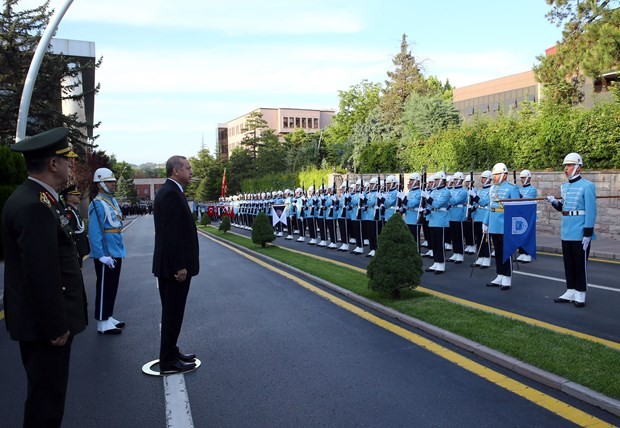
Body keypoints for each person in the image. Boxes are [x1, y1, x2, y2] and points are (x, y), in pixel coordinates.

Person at [2, 127, 88, 427]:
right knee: (45, 404)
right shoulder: (35, 206)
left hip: (41, 324)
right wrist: (56, 325)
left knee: (47, 399)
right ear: (53, 164)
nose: (69, 167)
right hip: (45, 328)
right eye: (66, 161)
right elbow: (40, 272)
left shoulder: (39, 199)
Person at [152, 155, 200, 374]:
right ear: (175, 172)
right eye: (188, 168)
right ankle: (168, 361)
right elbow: (171, 235)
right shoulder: (170, 194)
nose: (191, 171)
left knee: (174, 312)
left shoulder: (172, 191)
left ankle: (172, 351)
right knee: (172, 313)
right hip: (174, 268)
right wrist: (180, 265)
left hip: (173, 265)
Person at [547, 153, 596, 308]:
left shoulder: (587, 186)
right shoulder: (564, 186)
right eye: (565, 166)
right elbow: (565, 209)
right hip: (566, 229)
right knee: (568, 263)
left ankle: (580, 293)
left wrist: (588, 232)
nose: (565, 169)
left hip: (580, 230)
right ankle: (570, 290)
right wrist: (555, 203)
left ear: (578, 167)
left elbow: (591, 211)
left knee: (580, 264)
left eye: (569, 165)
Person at [88, 167, 126, 334]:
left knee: (112, 285)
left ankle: (108, 316)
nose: (114, 184)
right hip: (106, 252)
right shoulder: (97, 204)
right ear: (100, 184)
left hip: (115, 249)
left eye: (113, 181)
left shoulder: (111, 201)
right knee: (104, 287)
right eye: (110, 182)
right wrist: (100, 254)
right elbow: (95, 232)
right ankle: (102, 323)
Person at [483, 162, 520, 290]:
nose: (494, 177)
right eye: (493, 175)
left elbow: (515, 209)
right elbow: (490, 206)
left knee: (506, 252)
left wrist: (513, 225)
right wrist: (485, 222)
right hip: (494, 223)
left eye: (496, 174)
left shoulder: (512, 188)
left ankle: (507, 277)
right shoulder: (492, 188)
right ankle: (499, 275)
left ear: (504, 175)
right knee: (498, 252)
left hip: (505, 224)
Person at [61, 185, 90, 267]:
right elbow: (70, 232)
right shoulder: (68, 212)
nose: (79, 196)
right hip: (75, 250)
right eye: (76, 195)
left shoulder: (74, 210)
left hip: (79, 249)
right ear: (69, 197)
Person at [517, 169, 537, 263]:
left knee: (527, 235)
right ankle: (522, 253)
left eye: (524, 177)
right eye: (521, 178)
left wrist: (517, 193)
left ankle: (528, 254)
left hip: (528, 214)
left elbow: (525, 200)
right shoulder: (519, 189)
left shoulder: (532, 189)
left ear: (529, 178)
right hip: (520, 214)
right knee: (520, 234)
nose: (522, 179)